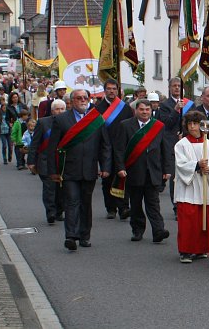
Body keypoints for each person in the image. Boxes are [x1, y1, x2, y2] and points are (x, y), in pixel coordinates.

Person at [47, 89, 111, 251]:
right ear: (72, 101)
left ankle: (84, 235)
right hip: (69, 169)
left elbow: (105, 145)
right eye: (79, 98)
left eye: (85, 98)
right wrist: (53, 170)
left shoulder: (97, 119)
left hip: (89, 168)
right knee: (72, 201)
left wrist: (105, 167)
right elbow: (53, 147)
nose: (83, 100)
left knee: (85, 203)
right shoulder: (61, 120)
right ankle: (71, 236)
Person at [115, 99, 172, 243]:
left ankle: (158, 231)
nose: (145, 112)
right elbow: (119, 149)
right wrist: (120, 167)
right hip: (134, 171)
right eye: (142, 109)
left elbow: (165, 149)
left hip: (153, 171)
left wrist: (167, 169)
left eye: (147, 109)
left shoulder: (158, 126)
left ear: (151, 110)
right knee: (135, 204)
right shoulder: (125, 125)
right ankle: (137, 230)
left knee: (153, 203)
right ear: (136, 110)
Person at [174, 111, 209, 263]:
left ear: (202, 125)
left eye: (196, 124)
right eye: (190, 124)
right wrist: (197, 165)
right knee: (188, 222)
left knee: (202, 220)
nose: (192, 127)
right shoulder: (181, 144)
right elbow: (180, 164)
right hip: (188, 188)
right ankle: (185, 251)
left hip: (204, 186)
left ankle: (200, 249)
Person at [96, 79, 134, 220]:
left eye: (114, 89)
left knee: (123, 177)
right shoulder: (98, 108)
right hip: (105, 149)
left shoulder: (125, 108)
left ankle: (123, 207)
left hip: (123, 147)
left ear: (117, 90)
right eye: (109, 89)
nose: (111, 91)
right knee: (107, 179)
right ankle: (111, 208)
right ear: (104, 90)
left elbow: (131, 126)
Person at [159, 77, 195, 217]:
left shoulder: (189, 104)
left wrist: (185, 134)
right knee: (175, 177)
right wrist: (175, 110)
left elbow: (193, 123)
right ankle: (176, 207)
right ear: (169, 88)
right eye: (174, 86)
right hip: (172, 144)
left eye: (179, 86)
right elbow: (166, 124)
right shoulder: (165, 105)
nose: (176, 88)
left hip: (187, 142)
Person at [28, 99, 67, 224]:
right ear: (52, 110)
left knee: (61, 189)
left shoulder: (69, 122)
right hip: (45, 161)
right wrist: (31, 161)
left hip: (62, 161)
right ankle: (51, 212)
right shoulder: (43, 122)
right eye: (57, 109)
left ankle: (59, 211)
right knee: (49, 189)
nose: (60, 111)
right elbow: (35, 143)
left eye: (62, 109)